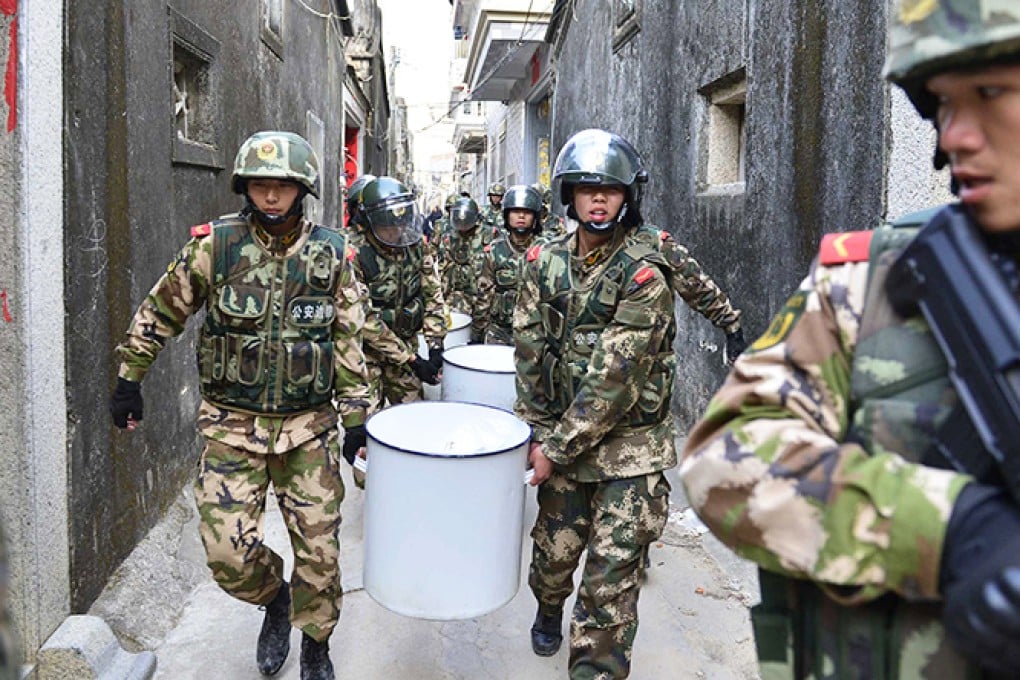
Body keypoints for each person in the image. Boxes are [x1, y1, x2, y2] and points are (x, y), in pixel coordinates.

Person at [681, 3, 1020, 677]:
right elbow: (723, 459)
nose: (953, 135)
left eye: (989, 93)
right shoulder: (873, 283)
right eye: (941, 104)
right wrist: (947, 531)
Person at [108, 130, 368, 680]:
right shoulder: (215, 247)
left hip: (308, 429)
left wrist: (357, 420)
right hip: (232, 428)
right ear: (244, 188)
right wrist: (131, 378)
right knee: (227, 556)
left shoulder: (333, 255)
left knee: (320, 557)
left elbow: (348, 342)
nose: (271, 196)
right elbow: (161, 311)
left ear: (301, 190)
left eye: (282, 186)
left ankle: (315, 643)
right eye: (259, 185)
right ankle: (274, 599)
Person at [514, 128, 676, 679]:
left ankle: (594, 669)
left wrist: (552, 448)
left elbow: (614, 378)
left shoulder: (645, 272)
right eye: (587, 188)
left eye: (609, 189)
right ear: (570, 197)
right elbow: (530, 349)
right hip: (562, 438)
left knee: (611, 584)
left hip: (631, 449)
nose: (598, 198)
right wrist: (534, 432)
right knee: (555, 557)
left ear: (628, 196)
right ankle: (549, 606)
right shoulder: (544, 260)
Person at [350, 175, 445, 419]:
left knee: (415, 420)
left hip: (405, 347)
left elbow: (432, 293)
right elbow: (362, 317)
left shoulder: (415, 246)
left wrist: (435, 345)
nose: (396, 232)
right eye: (387, 226)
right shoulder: (353, 253)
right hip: (364, 354)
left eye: (401, 223)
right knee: (366, 427)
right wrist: (412, 360)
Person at [474, 184, 544, 345]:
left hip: (537, 334)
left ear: (535, 217)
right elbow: (484, 296)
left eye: (527, 212)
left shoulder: (547, 251)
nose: (521, 216)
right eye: (515, 212)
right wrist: (477, 333)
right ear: (506, 215)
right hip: (500, 332)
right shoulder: (494, 251)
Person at [438, 196, 498, 314]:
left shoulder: (490, 234)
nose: (463, 228)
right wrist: (441, 298)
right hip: (459, 295)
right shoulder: (449, 238)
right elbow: (444, 268)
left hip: (486, 296)